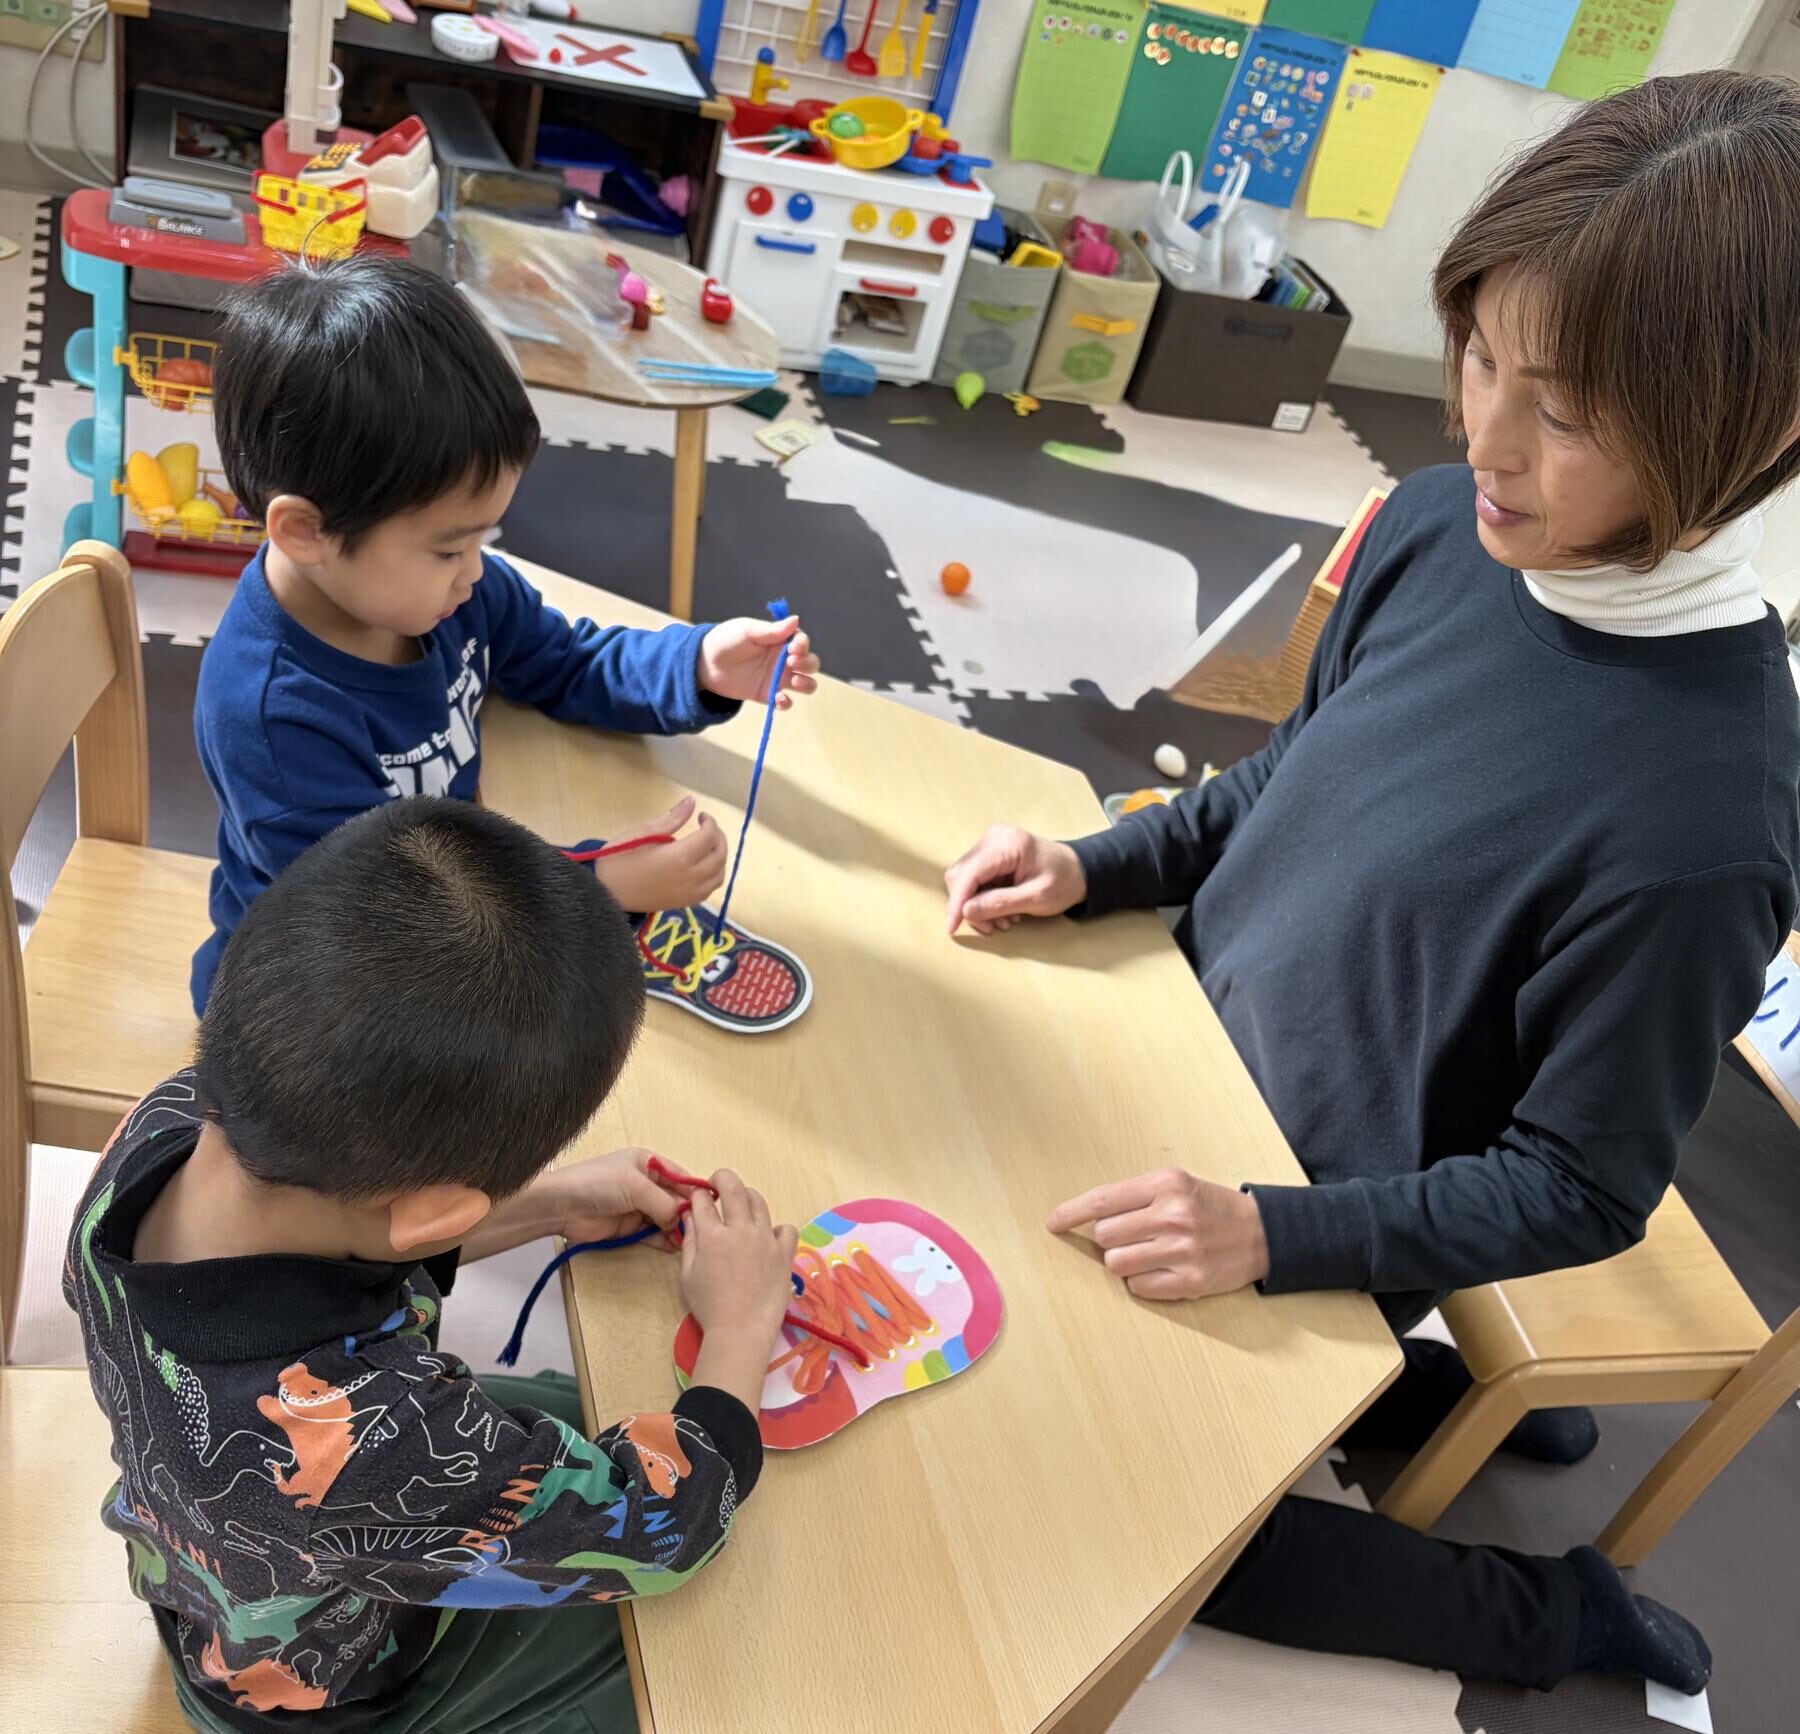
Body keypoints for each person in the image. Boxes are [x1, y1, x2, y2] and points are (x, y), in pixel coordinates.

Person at [942, 70, 1800, 1695]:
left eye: (1569, 409)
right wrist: (1098, 860)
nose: (1484, 437)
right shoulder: (1439, 521)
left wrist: (1275, 1234)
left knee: (1128, 1530)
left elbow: (1578, 1183)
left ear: (1754, 433)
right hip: (1183, 1058)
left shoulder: (1707, 818)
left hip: (1323, 1191)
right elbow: (1303, 774)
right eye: (1482, 353)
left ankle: (1557, 1614)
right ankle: (1422, 1389)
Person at [68, 797, 798, 1732]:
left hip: (203, 1564)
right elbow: (666, 1529)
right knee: (709, 1666)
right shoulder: (378, 1440)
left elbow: (356, 1236)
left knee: (552, 1416)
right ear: (435, 1211)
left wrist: (546, 1203)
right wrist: (739, 1331)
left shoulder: (163, 1124)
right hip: (311, 1692)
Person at [189, 252, 821, 1013]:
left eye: (483, 540)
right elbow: (380, 922)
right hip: (318, 1005)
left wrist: (698, 664)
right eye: (450, 547)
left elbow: (566, 660)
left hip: (450, 903)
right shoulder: (271, 717)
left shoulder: (455, 595)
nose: (473, 573)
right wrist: (598, 888)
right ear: (307, 531)